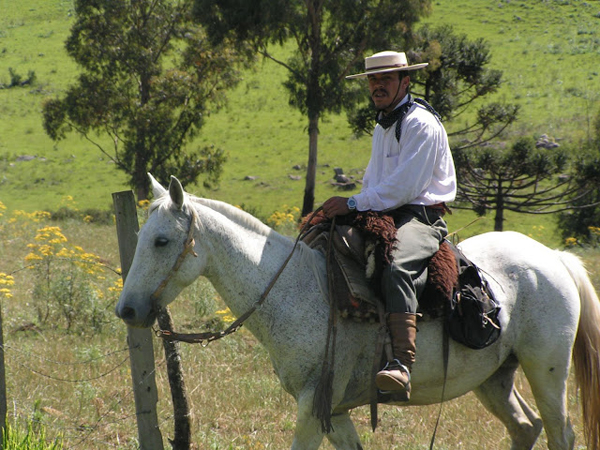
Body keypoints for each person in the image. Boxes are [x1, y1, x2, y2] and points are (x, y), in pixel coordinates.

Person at [322, 50, 456, 398]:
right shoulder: (383, 125)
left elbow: (404, 187)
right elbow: (374, 181)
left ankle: (401, 363)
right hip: (387, 211)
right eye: (372, 79)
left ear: (405, 81)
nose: (377, 85)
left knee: (396, 266)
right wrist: (356, 206)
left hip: (419, 216)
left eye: (386, 79)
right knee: (323, 236)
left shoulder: (421, 124)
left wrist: (352, 202)